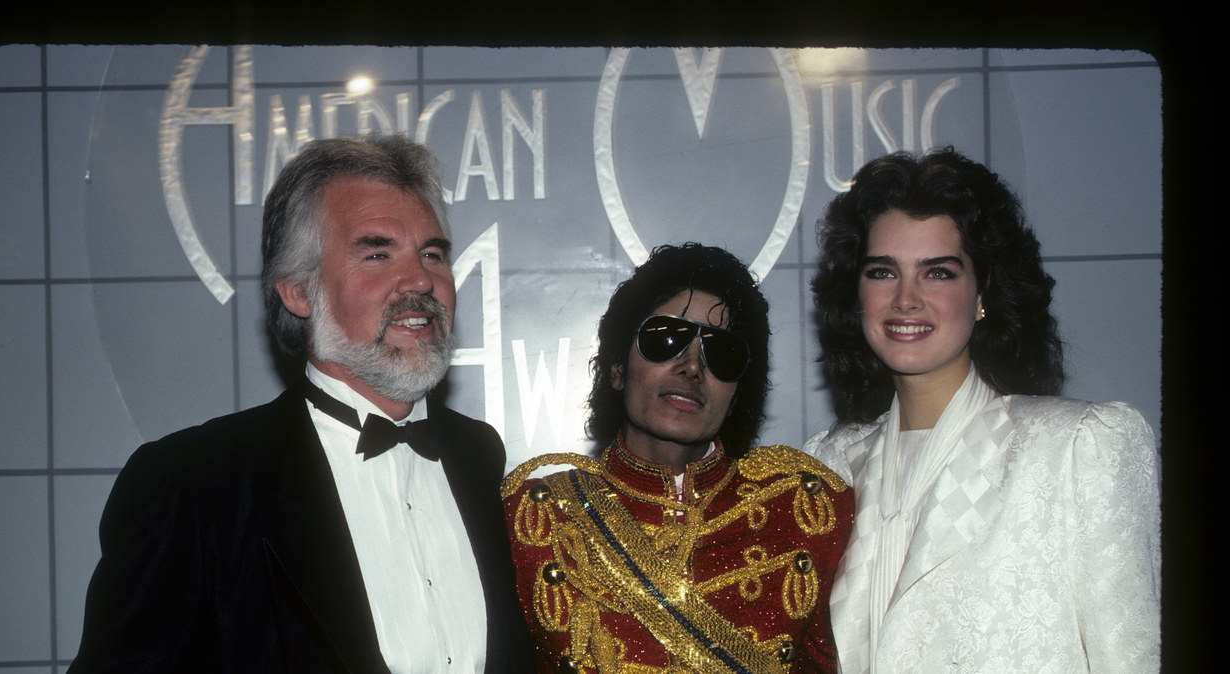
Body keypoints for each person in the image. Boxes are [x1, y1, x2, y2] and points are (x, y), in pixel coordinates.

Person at [70, 135, 532, 673]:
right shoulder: (192, 485)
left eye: (432, 253)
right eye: (377, 252)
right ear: (297, 290)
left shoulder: (480, 456)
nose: (421, 280)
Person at [805, 148, 1160, 673]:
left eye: (938, 273)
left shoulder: (1079, 448)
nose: (906, 299)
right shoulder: (824, 466)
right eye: (883, 272)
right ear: (856, 293)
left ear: (982, 294)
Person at [501, 243, 854, 674]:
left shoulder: (808, 512)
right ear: (615, 366)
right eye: (666, 338)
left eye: (721, 352)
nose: (691, 366)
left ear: (738, 390)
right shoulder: (530, 520)